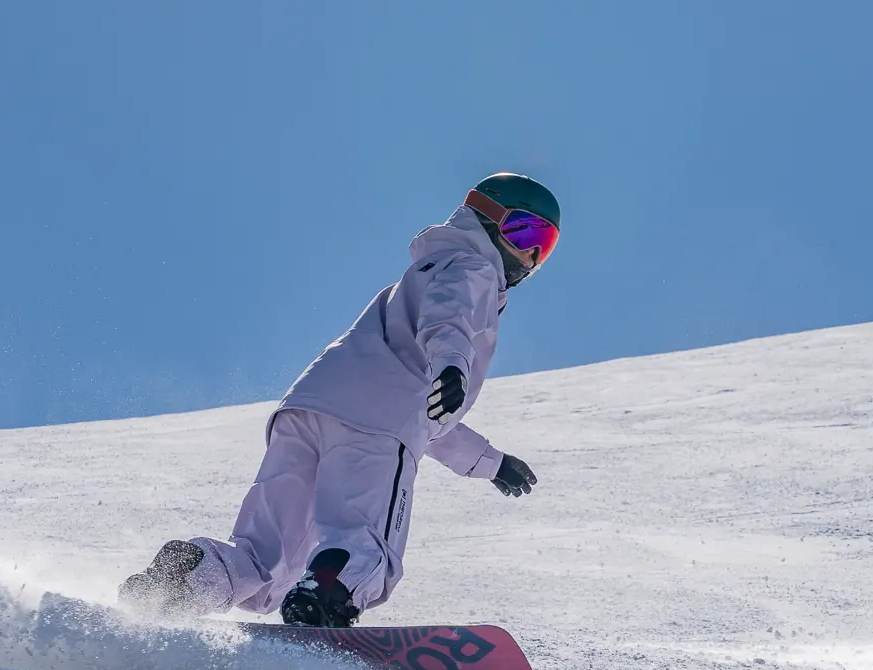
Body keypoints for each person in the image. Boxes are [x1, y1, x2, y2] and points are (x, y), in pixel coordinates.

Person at [120, 172, 558, 627]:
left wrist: (490, 461)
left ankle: (187, 577)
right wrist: (452, 364)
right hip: (378, 425)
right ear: (485, 221)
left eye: (544, 245)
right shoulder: (474, 269)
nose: (530, 254)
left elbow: (427, 410)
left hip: (308, 411)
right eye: (524, 231)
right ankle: (327, 599)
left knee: (266, 563)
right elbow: (450, 321)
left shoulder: (408, 284)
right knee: (364, 542)